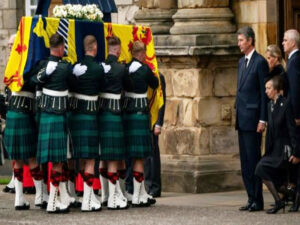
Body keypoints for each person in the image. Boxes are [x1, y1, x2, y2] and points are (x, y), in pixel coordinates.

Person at [31, 33, 76, 213]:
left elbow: (34, 80)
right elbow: (75, 84)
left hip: (45, 118)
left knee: (50, 160)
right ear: (61, 47)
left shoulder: (43, 65)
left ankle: (56, 196)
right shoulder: (65, 68)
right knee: (58, 161)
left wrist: (44, 73)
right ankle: (52, 201)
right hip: (58, 117)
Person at [3, 40, 49, 210]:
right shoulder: (29, 66)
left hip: (13, 114)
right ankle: (39, 196)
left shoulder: (12, 65)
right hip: (23, 114)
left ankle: (19, 198)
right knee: (31, 157)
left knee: (17, 159)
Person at [255, 76, 300, 214]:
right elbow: (270, 133)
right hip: (274, 150)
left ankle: (281, 200)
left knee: (260, 168)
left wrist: (296, 153)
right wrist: (267, 152)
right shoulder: (270, 105)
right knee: (262, 170)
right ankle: (287, 196)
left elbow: (293, 131)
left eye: (268, 88)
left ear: (276, 90)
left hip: (285, 150)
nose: (266, 91)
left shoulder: (285, 104)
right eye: (265, 89)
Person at [69, 35, 103, 211]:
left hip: (76, 116)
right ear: (95, 47)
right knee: (90, 158)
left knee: (81, 158)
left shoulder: (76, 68)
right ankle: (88, 200)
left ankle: (88, 198)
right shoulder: (97, 69)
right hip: (90, 116)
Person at [236, 26, 268, 212]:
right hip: (242, 119)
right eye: (238, 40)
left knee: (254, 160)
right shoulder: (241, 62)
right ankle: (250, 197)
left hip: (254, 119)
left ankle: (258, 199)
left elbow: (264, 94)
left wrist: (263, 119)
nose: (239, 44)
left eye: (241, 40)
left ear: (250, 40)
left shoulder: (260, 62)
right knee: (245, 162)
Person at [123, 40, 159, 207]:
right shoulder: (144, 70)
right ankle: (137, 195)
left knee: (131, 155)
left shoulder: (125, 69)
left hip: (127, 114)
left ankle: (136, 192)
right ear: (143, 54)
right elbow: (155, 84)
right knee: (140, 156)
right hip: (140, 114)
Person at [98, 36, 130, 209]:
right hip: (115, 114)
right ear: (117, 50)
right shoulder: (121, 68)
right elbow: (130, 86)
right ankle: (114, 196)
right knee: (115, 157)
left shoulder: (100, 67)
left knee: (104, 155)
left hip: (101, 114)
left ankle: (105, 195)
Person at [282, 29, 300, 212]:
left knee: (296, 155)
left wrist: (295, 115)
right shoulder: (293, 60)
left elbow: (295, 90)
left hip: (294, 116)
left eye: (285, 40)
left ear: (293, 43)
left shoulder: (294, 62)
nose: (283, 43)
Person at [144, 72, 166, 198]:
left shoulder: (158, 76)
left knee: (152, 154)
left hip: (153, 120)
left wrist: (159, 123)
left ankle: (154, 186)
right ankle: (146, 185)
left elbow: (161, 101)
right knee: (145, 156)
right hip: (143, 118)